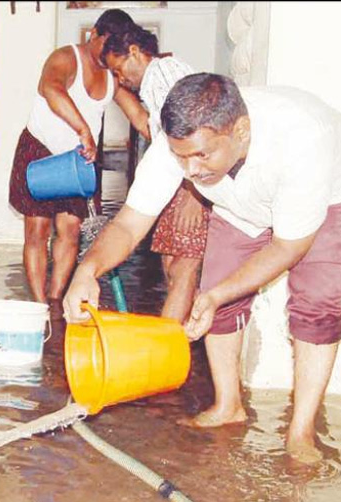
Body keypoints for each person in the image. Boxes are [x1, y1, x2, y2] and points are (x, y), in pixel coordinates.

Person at [63, 73, 341, 463]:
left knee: (318, 305)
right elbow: (129, 224)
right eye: (182, 158)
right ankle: (228, 406)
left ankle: (301, 431)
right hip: (237, 205)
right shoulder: (174, 147)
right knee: (214, 294)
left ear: (240, 132)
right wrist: (86, 270)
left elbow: (288, 246)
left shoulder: (301, 141)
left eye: (202, 156)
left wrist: (219, 293)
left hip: (326, 200)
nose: (190, 171)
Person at [8, 9, 149, 310]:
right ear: (93, 35)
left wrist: (171, 136)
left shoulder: (113, 74)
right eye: (105, 44)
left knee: (71, 231)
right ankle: (37, 303)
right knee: (37, 231)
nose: (109, 53)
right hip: (40, 150)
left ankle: (55, 301)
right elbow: (51, 89)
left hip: (76, 162)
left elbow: (138, 116)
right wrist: (84, 130)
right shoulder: (66, 57)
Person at [101, 24, 210, 324]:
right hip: (179, 183)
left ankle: (167, 346)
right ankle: (178, 343)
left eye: (120, 69)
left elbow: (192, 131)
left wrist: (195, 197)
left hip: (192, 186)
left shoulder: (163, 72)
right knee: (172, 268)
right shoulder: (152, 85)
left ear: (135, 52)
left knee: (183, 267)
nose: (121, 78)